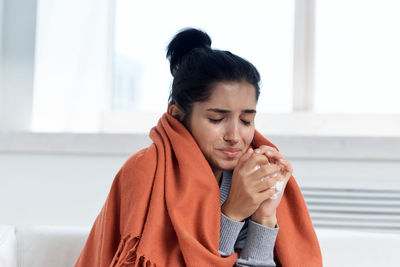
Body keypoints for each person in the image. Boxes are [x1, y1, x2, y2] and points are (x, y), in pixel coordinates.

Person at [75, 28, 322, 267]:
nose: (235, 136)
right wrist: (232, 213)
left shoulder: (248, 176)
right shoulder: (145, 173)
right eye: (217, 119)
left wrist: (264, 219)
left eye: (246, 120)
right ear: (177, 115)